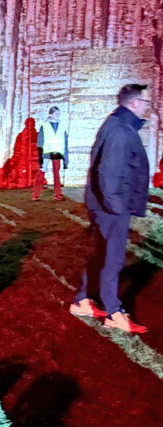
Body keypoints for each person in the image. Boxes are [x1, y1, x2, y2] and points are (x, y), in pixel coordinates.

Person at [70, 84, 152, 332]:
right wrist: (117, 208)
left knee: (101, 255)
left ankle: (82, 301)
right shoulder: (121, 131)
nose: (149, 107)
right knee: (112, 259)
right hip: (112, 207)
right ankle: (114, 313)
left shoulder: (117, 124)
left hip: (106, 204)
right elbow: (109, 173)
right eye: (147, 102)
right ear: (134, 103)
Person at [32, 105, 68, 201]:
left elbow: (65, 142)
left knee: (56, 173)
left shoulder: (62, 126)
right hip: (46, 153)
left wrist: (65, 158)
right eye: (56, 113)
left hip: (57, 152)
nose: (58, 115)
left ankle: (58, 194)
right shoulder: (45, 126)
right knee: (41, 172)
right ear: (50, 114)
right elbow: (40, 142)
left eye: (59, 113)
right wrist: (40, 156)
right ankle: (35, 194)